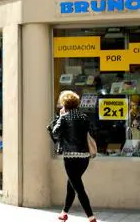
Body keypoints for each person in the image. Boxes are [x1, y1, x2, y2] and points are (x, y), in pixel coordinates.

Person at [48, 90, 96, 222]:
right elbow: (92, 132)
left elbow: (55, 133)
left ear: (65, 104)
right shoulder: (84, 117)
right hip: (84, 157)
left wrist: (59, 117)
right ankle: (64, 212)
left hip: (70, 157)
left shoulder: (64, 117)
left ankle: (91, 216)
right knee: (72, 184)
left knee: (78, 187)